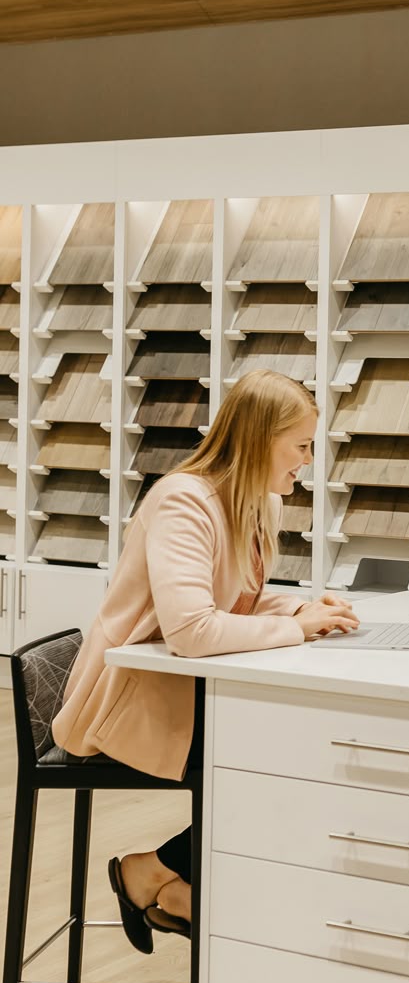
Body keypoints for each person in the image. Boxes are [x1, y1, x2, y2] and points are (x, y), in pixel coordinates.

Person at [52, 371, 359, 951]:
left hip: (171, 692)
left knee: (295, 755)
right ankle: (173, 881)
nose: (307, 460)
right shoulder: (184, 502)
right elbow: (192, 630)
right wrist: (294, 629)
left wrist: (301, 606)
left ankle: (164, 877)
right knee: (291, 764)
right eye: (300, 445)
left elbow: (231, 597)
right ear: (258, 440)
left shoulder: (238, 502)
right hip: (127, 705)